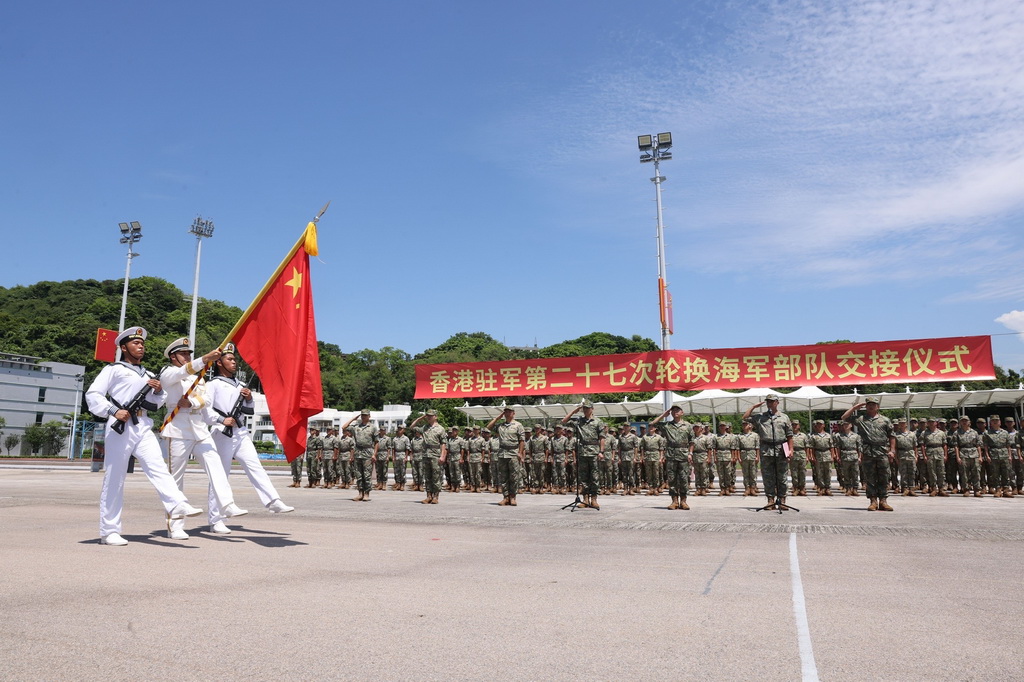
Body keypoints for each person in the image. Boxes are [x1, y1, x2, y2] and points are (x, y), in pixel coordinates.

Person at [85, 327, 205, 545]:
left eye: (142, 343)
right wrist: (112, 411)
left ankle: (177, 503)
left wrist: (159, 391)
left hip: (142, 423)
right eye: (135, 343)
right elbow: (93, 394)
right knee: (115, 478)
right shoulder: (113, 369)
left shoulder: (149, 374)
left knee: (157, 466)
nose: (141, 346)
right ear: (124, 347)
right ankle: (109, 531)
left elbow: (156, 403)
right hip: (120, 424)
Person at [160, 337, 248, 540]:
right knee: (175, 479)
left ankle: (227, 505)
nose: (187, 357)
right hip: (178, 428)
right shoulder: (169, 372)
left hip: (199, 427)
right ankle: (175, 525)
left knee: (216, 465)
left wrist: (190, 402)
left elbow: (207, 400)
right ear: (174, 357)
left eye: (190, 354)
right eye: (184, 354)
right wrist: (204, 359)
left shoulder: (199, 378)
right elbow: (183, 372)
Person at [206, 347, 294, 532]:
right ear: (219, 363)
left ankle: (273, 501)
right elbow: (205, 409)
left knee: (255, 466)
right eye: (229, 359)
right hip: (222, 432)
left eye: (234, 359)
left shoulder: (240, 384)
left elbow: (249, 410)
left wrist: (249, 398)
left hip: (240, 432)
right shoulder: (213, 384)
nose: (234, 361)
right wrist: (221, 419)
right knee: (220, 476)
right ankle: (216, 519)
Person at [841, 397, 895, 512]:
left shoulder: (885, 420)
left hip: (882, 451)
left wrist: (892, 450)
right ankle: (873, 501)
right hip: (868, 451)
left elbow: (892, 436)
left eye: (874, 404)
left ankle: (883, 501)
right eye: (869, 404)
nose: (871, 406)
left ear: (878, 407)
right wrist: (855, 407)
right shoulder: (861, 419)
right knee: (870, 477)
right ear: (866, 406)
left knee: (884, 477)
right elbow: (844, 417)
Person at [743, 394, 794, 510]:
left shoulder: (784, 417)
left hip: (781, 447)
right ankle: (770, 500)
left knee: (782, 476)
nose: (769, 404)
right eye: (768, 402)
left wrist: (790, 450)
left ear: (777, 402)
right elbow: (745, 417)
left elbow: (789, 436)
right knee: (768, 476)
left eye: (772, 401)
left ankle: (782, 500)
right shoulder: (761, 417)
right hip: (766, 448)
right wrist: (754, 407)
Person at [562, 401, 606, 509]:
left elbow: (602, 438)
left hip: (594, 452)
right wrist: (574, 411)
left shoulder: (598, 422)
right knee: (583, 477)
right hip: (582, 452)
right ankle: (585, 499)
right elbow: (563, 421)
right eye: (584, 408)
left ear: (592, 409)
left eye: (588, 408)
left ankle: (594, 499)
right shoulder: (579, 421)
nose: (586, 410)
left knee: (594, 477)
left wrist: (601, 452)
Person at [650, 404, 694, 510]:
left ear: (682, 413)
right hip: (671, 454)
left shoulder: (687, 426)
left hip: (683, 454)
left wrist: (690, 453)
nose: (675, 412)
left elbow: (692, 442)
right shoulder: (667, 425)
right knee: (672, 479)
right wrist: (663, 415)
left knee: (684, 479)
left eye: (678, 410)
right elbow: (652, 424)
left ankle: (683, 501)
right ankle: (674, 501)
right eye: (673, 410)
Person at [486, 406, 526, 506]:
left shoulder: (518, 425)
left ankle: (513, 497)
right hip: (502, 453)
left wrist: (520, 453)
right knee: (503, 477)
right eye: (506, 412)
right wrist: (497, 418)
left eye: (510, 412)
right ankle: (505, 497)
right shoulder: (501, 426)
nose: (508, 414)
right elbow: (488, 428)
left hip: (513, 452)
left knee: (513, 476)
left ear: (513, 413)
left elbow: (522, 440)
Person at [409, 409, 447, 504]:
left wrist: (442, 456)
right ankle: (429, 496)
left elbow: (443, 444)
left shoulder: (440, 429)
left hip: (435, 454)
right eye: (427, 416)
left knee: (436, 476)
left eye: (431, 415)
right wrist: (419, 418)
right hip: (426, 454)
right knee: (427, 476)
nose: (429, 417)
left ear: (435, 417)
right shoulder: (424, 427)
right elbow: (412, 427)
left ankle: (436, 497)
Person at [343, 410, 377, 501]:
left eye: (365, 415)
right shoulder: (356, 427)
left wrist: (374, 454)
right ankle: (360, 493)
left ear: (369, 416)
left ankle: (366, 494)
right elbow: (344, 427)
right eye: (362, 415)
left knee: (367, 474)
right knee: (358, 474)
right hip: (358, 452)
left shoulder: (373, 427)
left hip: (368, 452)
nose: (363, 417)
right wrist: (353, 419)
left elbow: (377, 442)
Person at [982, 415, 1014, 497]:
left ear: (1000, 422)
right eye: (993, 421)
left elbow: (1008, 445)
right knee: (995, 473)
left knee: (1006, 473)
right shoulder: (987, 433)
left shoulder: (1005, 432)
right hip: (993, 454)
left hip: (1004, 454)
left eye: (997, 420)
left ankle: (1006, 490)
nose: (995, 422)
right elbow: (985, 446)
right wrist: (987, 456)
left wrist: (1010, 456)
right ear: (990, 423)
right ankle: (998, 490)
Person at [954, 416, 983, 497]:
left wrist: (980, 456)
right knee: (964, 473)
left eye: (966, 421)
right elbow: (956, 446)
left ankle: (977, 490)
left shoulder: (974, 432)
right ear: (960, 423)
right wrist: (958, 457)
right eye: (962, 421)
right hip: (963, 453)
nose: (964, 422)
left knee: (976, 472)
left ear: (969, 422)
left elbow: (978, 445)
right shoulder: (957, 433)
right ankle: (966, 489)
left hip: (974, 454)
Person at [833, 421, 862, 497]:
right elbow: (838, 447)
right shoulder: (840, 436)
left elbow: (859, 447)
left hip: (854, 455)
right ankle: (848, 489)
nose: (845, 426)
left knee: (855, 473)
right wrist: (838, 456)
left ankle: (855, 489)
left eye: (847, 424)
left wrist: (859, 457)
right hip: (844, 455)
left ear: (851, 425)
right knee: (846, 474)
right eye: (844, 425)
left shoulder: (856, 436)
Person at [807, 420, 835, 495]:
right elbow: (811, 448)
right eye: (818, 424)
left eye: (820, 424)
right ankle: (822, 488)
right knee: (819, 473)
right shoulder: (813, 436)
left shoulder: (828, 435)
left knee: (828, 472)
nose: (819, 426)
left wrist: (832, 456)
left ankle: (827, 488)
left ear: (823, 425)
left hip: (827, 454)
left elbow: (832, 447)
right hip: (818, 454)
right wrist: (812, 456)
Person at [893, 418, 918, 496]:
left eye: (903, 423)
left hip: (911, 454)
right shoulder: (896, 435)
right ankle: (905, 488)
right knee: (903, 473)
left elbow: (915, 446)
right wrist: (896, 458)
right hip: (901, 455)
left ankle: (911, 488)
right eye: (900, 423)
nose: (902, 424)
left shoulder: (912, 434)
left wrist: (916, 455)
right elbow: (895, 448)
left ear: (906, 424)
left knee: (912, 472)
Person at [737, 419, 760, 496]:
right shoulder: (739, 436)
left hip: (752, 454)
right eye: (743, 424)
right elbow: (738, 448)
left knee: (753, 473)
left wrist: (757, 456)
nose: (744, 426)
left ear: (749, 425)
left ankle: (753, 488)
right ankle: (747, 488)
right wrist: (739, 458)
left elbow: (757, 447)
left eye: (746, 424)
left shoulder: (755, 435)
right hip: (744, 455)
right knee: (745, 473)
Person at [640, 425, 664, 495]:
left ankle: (656, 488)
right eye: (650, 427)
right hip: (647, 456)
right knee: (648, 473)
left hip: (656, 455)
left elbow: (661, 448)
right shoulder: (645, 437)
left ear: (655, 429)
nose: (651, 428)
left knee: (656, 473)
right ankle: (650, 488)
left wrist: (661, 457)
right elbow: (642, 448)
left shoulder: (659, 437)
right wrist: (642, 457)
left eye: (652, 427)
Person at [617, 423, 639, 496]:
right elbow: (619, 448)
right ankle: (625, 489)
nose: (626, 427)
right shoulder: (620, 436)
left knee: (631, 473)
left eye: (627, 426)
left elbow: (636, 447)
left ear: (630, 427)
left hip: (630, 454)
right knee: (624, 473)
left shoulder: (633, 436)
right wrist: (619, 458)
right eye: (625, 426)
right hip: (623, 455)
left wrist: (635, 457)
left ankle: (631, 489)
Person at [789, 419, 810, 496]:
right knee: (794, 473)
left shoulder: (803, 435)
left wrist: (807, 457)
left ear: (799, 426)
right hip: (793, 454)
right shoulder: (789, 435)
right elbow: (786, 446)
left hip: (802, 454)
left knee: (802, 472)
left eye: (796, 425)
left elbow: (807, 447)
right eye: (793, 425)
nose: (794, 426)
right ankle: (795, 488)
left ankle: (802, 488)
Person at [391, 424, 411, 491]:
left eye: (401, 429)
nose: (399, 430)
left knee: (402, 471)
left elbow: (407, 449)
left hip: (402, 454)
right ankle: (398, 484)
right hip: (396, 454)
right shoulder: (395, 439)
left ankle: (402, 484)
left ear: (403, 430)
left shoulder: (406, 438)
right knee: (396, 471)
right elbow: (393, 449)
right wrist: (393, 457)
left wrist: (406, 457)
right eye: (399, 429)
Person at [373, 425, 392, 491]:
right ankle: (379, 483)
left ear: (385, 431)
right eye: (381, 430)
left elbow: (389, 448)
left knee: (384, 471)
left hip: (384, 454)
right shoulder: (376, 438)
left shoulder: (387, 438)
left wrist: (388, 456)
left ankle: (384, 484)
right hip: (378, 454)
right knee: (378, 471)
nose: (382, 431)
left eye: (383, 430)